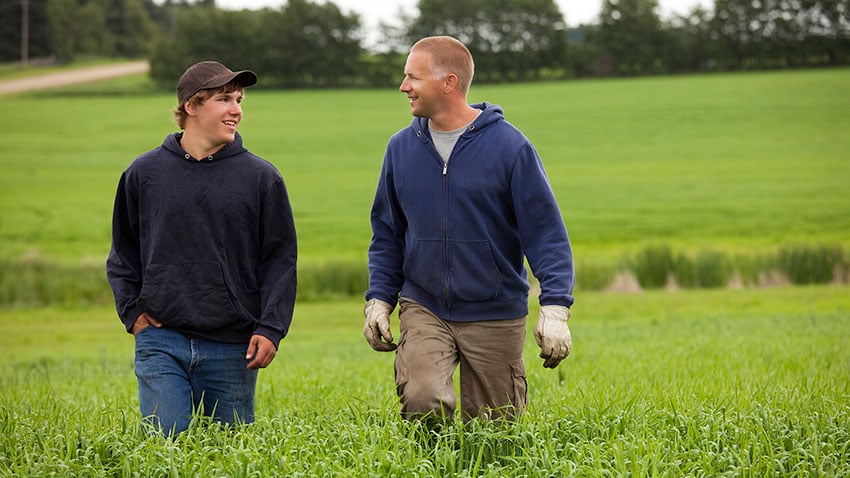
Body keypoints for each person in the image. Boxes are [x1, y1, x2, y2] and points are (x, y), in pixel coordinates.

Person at [363, 36, 575, 422]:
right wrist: (379, 298)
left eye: (413, 77)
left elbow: (545, 233)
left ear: (448, 83)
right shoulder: (400, 149)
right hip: (424, 305)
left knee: (495, 431)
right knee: (423, 400)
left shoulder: (510, 147)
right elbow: (387, 233)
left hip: (495, 310)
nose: (403, 86)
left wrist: (556, 308)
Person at [106, 61, 297, 436]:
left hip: (232, 346)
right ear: (191, 106)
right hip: (161, 339)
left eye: (239, 100)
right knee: (166, 443)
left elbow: (280, 261)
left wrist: (272, 327)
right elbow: (123, 251)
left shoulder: (261, 178)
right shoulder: (143, 173)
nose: (237, 109)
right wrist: (132, 312)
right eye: (224, 99)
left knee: (228, 455)